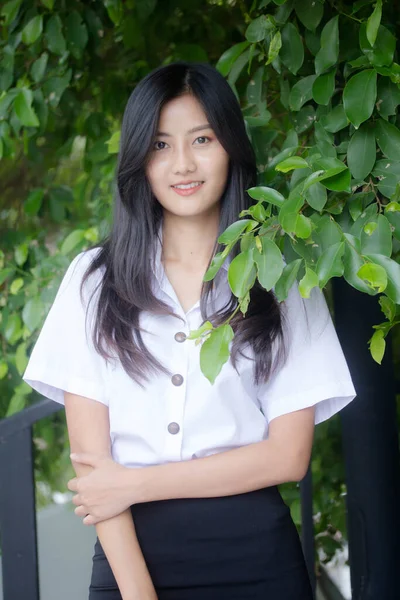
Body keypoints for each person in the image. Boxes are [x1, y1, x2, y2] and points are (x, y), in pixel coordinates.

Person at [22, 61, 357, 600]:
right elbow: (92, 463)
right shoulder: (92, 279)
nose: (182, 163)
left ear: (230, 146)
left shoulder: (282, 273)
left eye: (201, 138)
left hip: (256, 562)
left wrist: (135, 483)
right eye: (159, 145)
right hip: (128, 562)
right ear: (138, 160)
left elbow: (287, 457)